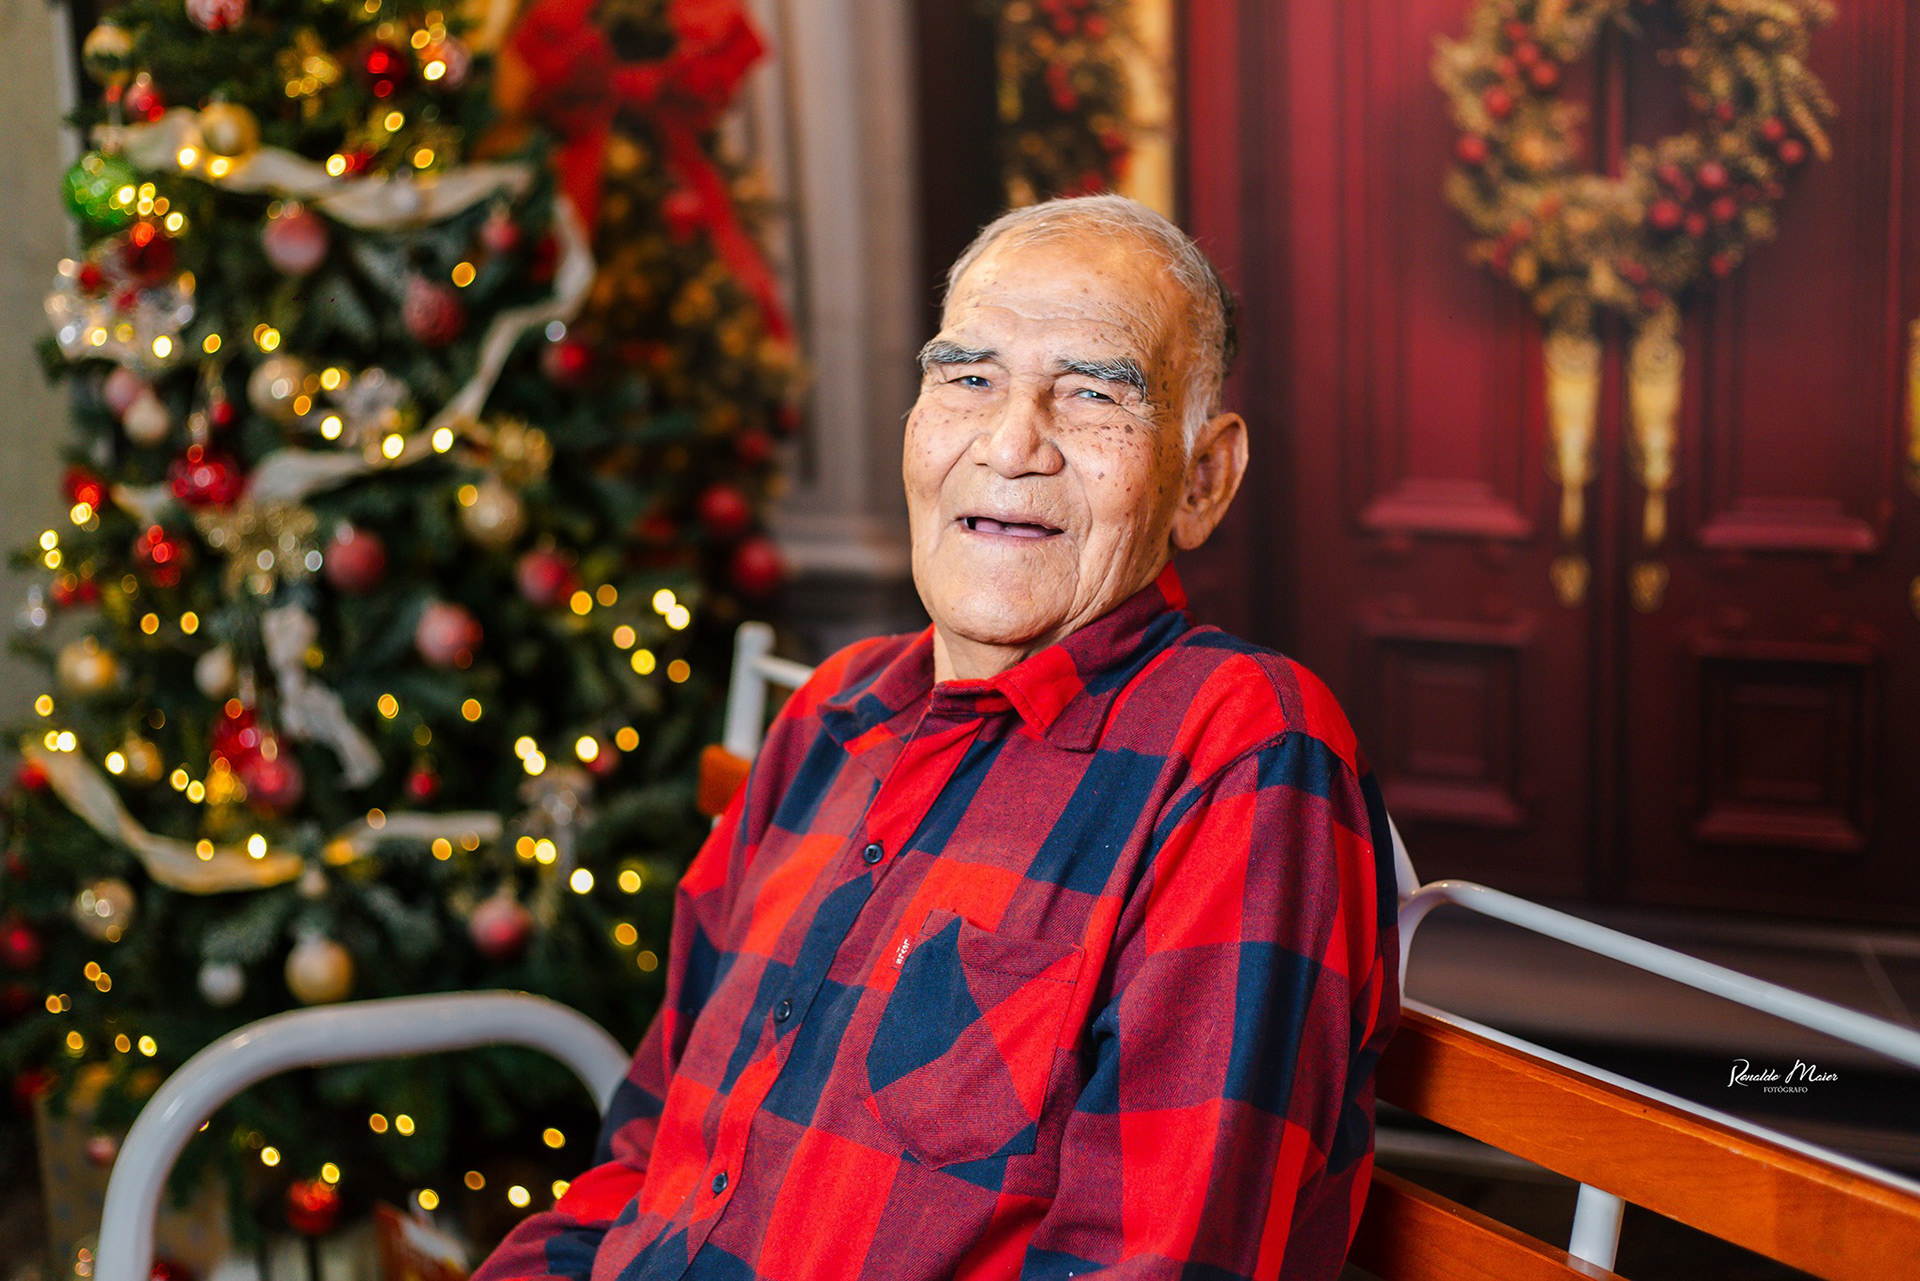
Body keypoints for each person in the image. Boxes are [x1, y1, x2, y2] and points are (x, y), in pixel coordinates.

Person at [474, 194, 1399, 1281]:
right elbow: (646, 1151)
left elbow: (1157, 1264)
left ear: (1201, 480)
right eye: (968, 378)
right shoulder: (832, 714)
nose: (1010, 443)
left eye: (1094, 393)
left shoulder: (1242, 756)